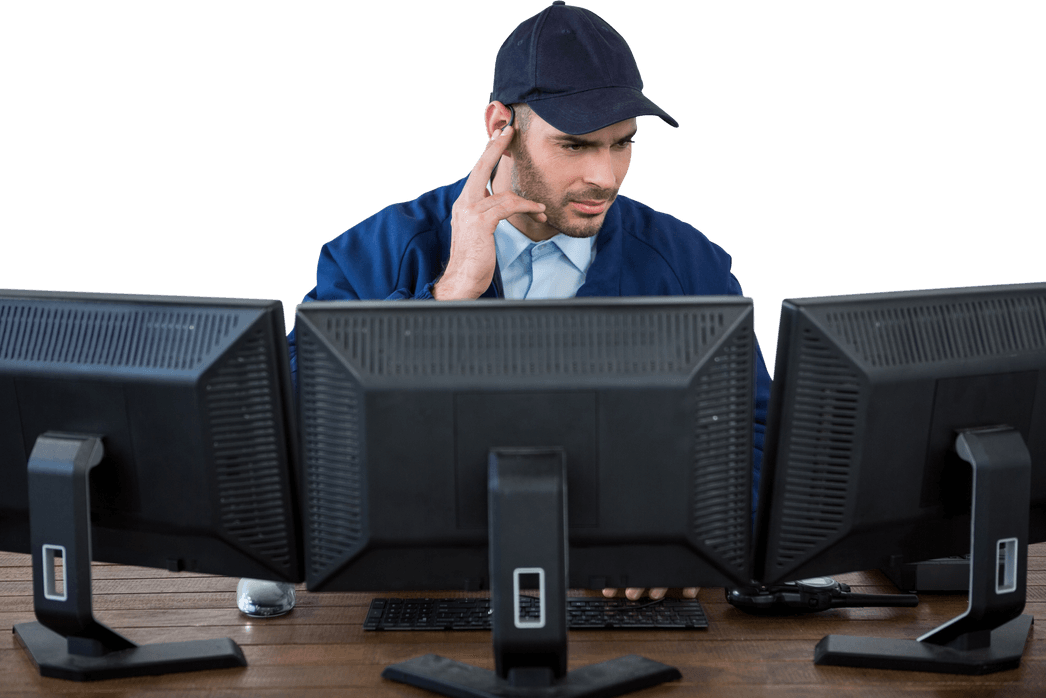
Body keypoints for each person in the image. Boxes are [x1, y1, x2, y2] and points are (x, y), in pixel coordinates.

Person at [238, 0, 771, 615]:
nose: (605, 176)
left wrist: (691, 533)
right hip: (412, 597)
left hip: (619, 607)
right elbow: (285, 432)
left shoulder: (691, 264)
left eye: (623, 143)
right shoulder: (377, 252)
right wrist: (448, 294)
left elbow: (754, 435)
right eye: (574, 145)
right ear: (500, 127)